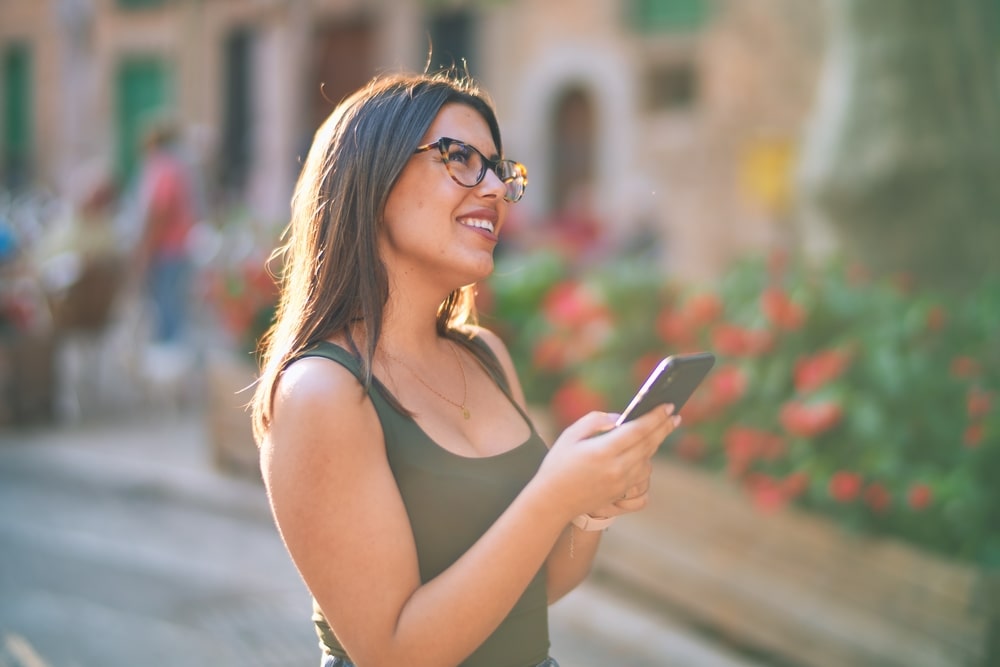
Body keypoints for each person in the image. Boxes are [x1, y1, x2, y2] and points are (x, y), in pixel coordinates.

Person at [249, 69, 681, 667]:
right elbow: (395, 653)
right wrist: (553, 493)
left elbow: (541, 585)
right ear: (371, 178)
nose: (497, 189)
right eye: (460, 158)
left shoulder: (486, 355)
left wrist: (589, 505)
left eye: (501, 169)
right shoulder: (323, 392)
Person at [132, 116, 198, 344]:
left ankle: (169, 364)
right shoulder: (179, 166)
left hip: (167, 248)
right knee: (171, 306)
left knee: (167, 309)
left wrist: (146, 249)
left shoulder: (163, 167)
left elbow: (160, 210)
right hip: (177, 245)